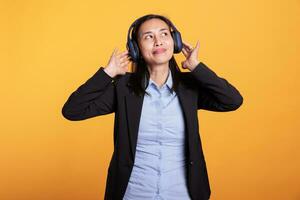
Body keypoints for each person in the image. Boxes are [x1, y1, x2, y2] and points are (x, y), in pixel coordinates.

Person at [61, 14, 243, 200]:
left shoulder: (190, 87)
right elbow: (72, 110)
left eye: (164, 34)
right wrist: (108, 73)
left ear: (175, 42)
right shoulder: (124, 88)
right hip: (133, 194)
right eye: (148, 36)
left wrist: (196, 66)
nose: (158, 41)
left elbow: (232, 100)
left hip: (182, 195)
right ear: (136, 48)